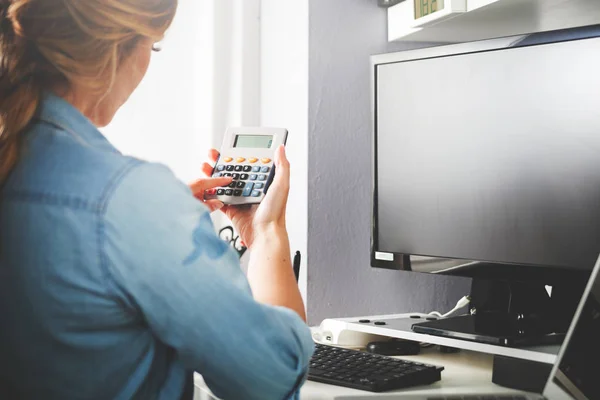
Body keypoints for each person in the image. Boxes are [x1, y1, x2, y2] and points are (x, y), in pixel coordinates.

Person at [0, 1, 313, 399]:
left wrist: (162, 219)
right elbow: (271, 377)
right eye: (155, 45)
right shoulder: (129, 201)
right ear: (119, 46)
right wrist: (267, 233)